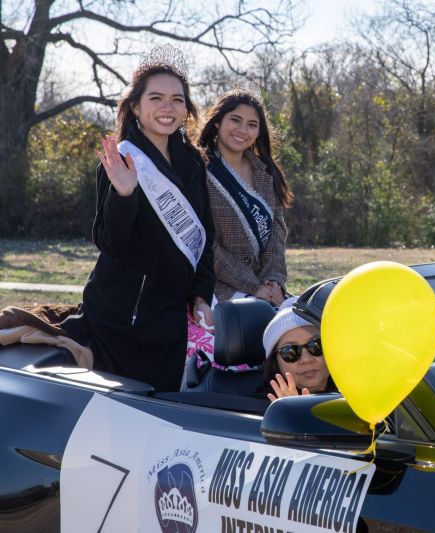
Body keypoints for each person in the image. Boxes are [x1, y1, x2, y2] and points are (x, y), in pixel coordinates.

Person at [80, 45, 215, 392]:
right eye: (156, 98)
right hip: (122, 317)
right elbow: (111, 243)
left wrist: (201, 294)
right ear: (136, 107)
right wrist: (123, 195)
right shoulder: (123, 160)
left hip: (169, 318)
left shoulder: (194, 162)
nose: (167, 108)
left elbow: (204, 237)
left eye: (177, 99)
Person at [198, 89, 292, 306]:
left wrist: (273, 281)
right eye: (235, 120)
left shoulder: (266, 174)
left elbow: (277, 234)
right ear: (217, 122)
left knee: (305, 326)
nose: (243, 130)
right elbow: (203, 242)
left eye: (252, 124)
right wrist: (253, 286)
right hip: (219, 288)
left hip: (267, 289)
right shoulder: (198, 170)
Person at [261, 298, 336, 401]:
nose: (306, 359)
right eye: (290, 351)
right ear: (274, 362)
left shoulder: (356, 392)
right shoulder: (258, 409)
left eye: (316, 345)